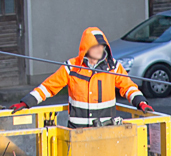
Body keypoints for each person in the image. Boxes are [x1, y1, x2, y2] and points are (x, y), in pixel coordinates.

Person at [12, 27, 152, 126]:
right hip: (77, 132)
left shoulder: (113, 67)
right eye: (95, 46)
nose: (99, 49)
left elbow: (128, 87)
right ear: (86, 48)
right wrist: (26, 102)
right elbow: (48, 88)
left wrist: (141, 102)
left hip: (105, 131)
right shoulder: (71, 67)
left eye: (102, 46)